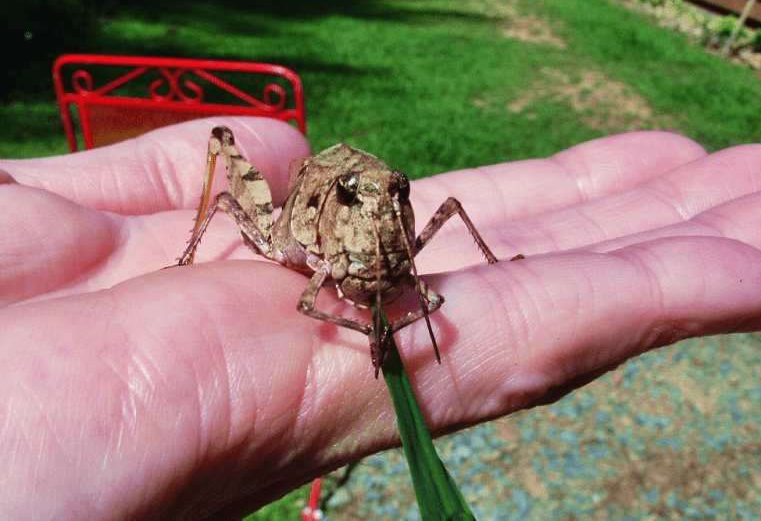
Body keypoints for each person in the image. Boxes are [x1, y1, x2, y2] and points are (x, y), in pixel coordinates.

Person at [1, 117, 759, 520]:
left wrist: (477, 270)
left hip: (363, 216)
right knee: (228, 166)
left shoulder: (399, 225)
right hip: (302, 231)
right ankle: (194, 244)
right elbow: (300, 282)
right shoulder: (306, 241)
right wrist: (192, 254)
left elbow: (446, 211)